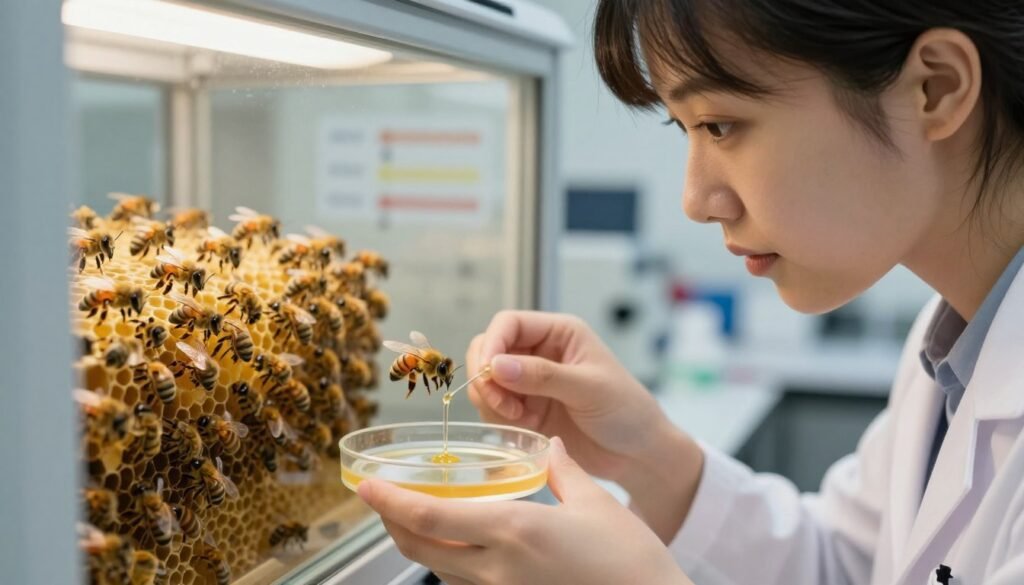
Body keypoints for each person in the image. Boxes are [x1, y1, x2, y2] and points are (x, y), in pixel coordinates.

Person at [356, 1, 1024, 584]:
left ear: (936, 87)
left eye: (719, 124)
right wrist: (650, 454)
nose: (696, 200)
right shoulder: (953, 349)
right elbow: (846, 568)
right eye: (684, 129)